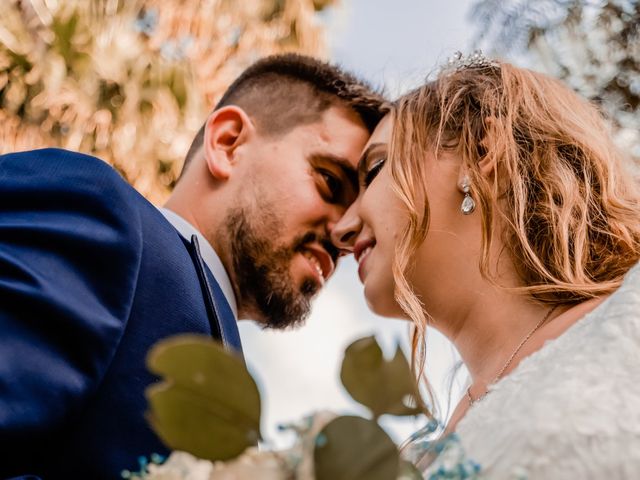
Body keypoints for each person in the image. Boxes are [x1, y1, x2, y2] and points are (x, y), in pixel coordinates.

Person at [0, 53, 387, 478]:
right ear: (228, 143)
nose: (346, 233)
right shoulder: (101, 210)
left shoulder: (236, 382)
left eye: (357, 214)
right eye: (331, 182)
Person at [331, 53, 640, 478]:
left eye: (377, 168)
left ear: (481, 150)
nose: (342, 228)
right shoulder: (420, 456)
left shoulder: (630, 318)